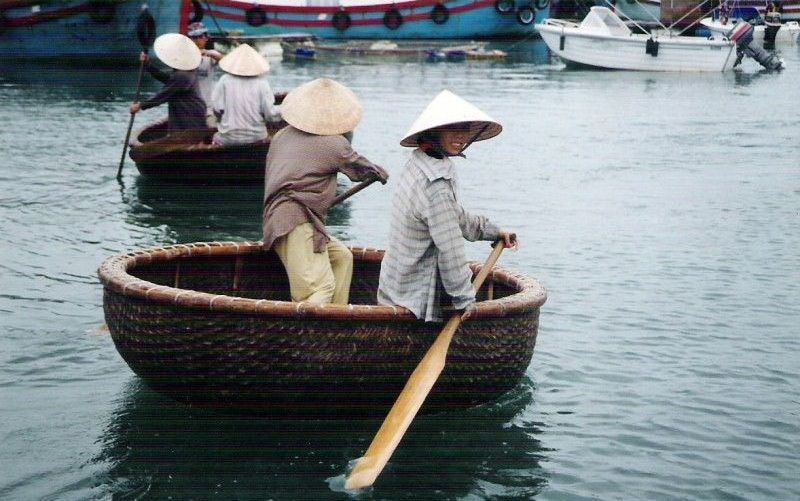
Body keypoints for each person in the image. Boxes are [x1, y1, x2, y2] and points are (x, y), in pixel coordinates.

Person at [377, 90, 517, 323]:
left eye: (464, 129)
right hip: (413, 298)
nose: (461, 137)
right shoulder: (436, 184)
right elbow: (450, 249)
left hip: (394, 284)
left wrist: (493, 231)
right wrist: (465, 300)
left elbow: (454, 217)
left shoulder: (419, 162)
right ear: (434, 132)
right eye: (453, 129)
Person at [262, 78, 389, 305]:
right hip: (294, 221)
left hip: (284, 220)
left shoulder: (280, 136)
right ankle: (303, 333)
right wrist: (379, 172)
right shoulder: (335, 145)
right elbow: (364, 169)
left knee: (342, 258)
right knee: (320, 288)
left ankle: (336, 323)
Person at [130, 33, 206, 134]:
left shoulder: (183, 75)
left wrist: (140, 105)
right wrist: (148, 65)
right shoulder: (183, 72)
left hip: (190, 113)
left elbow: (163, 95)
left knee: (185, 138)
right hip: (189, 111)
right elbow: (168, 79)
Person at [211, 43, 281, 146]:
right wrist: (284, 109)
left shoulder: (225, 80)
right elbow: (270, 114)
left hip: (228, 137)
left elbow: (216, 109)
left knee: (216, 137)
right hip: (256, 137)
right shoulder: (262, 83)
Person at [186, 21, 222, 127]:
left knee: (211, 129)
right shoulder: (183, 57)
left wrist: (205, 53)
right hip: (188, 109)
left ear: (206, 38)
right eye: (194, 37)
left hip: (207, 108)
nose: (197, 40)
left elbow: (225, 61)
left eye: (200, 37)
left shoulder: (211, 55)